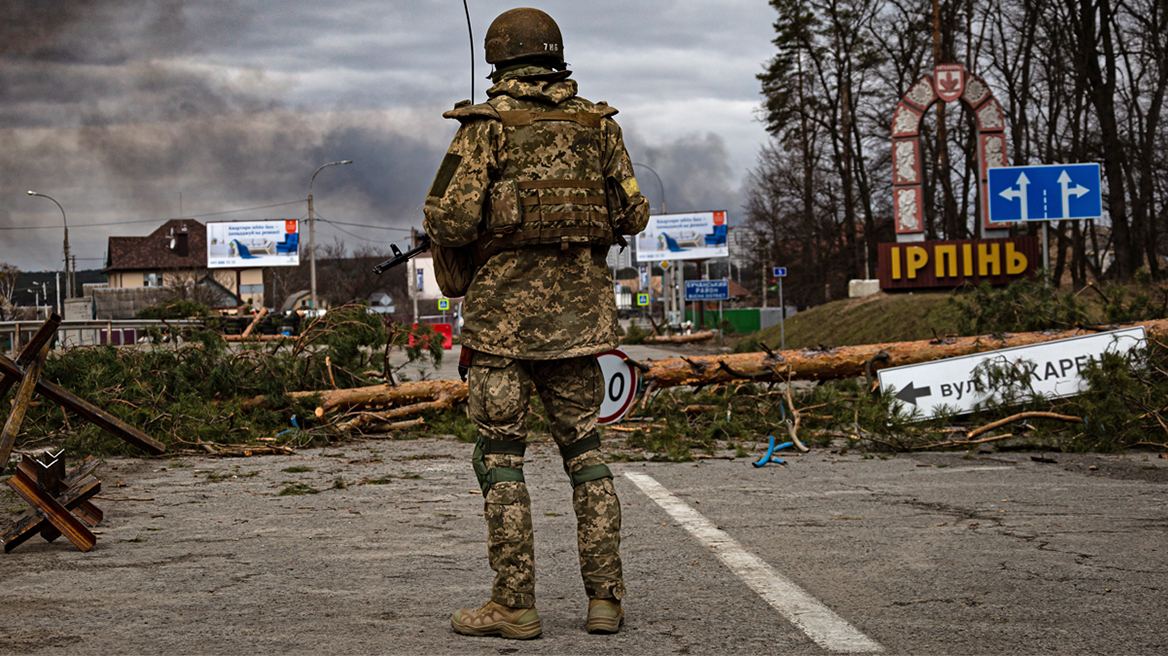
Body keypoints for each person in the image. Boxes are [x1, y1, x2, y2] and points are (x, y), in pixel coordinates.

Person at [422, 7, 650, 639]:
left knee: (501, 458)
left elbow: (449, 221)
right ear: (556, 57)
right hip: (581, 325)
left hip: (501, 328)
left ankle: (515, 604)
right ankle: (605, 600)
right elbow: (632, 214)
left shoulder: (485, 129)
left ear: (499, 60)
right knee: (587, 455)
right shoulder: (599, 127)